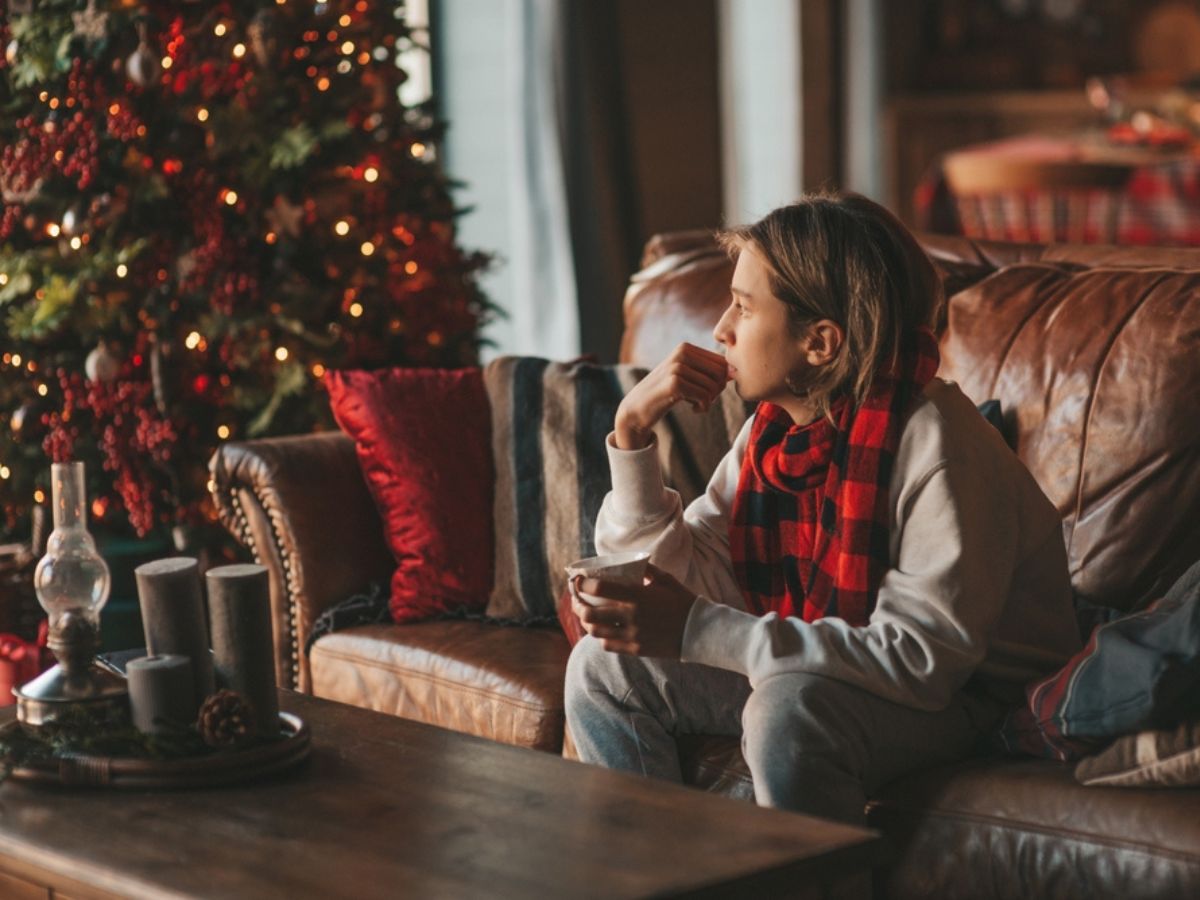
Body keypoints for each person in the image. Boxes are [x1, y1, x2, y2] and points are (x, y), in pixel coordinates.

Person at [563, 192, 1082, 825]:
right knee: (603, 667)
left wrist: (699, 629)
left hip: (974, 697)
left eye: (744, 308)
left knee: (789, 707)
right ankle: (660, 880)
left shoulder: (940, 446)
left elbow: (920, 659)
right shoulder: (773, 435)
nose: (721, 328)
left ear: (822, 344)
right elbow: (684, 577)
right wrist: (632, 433)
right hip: (848, 666)